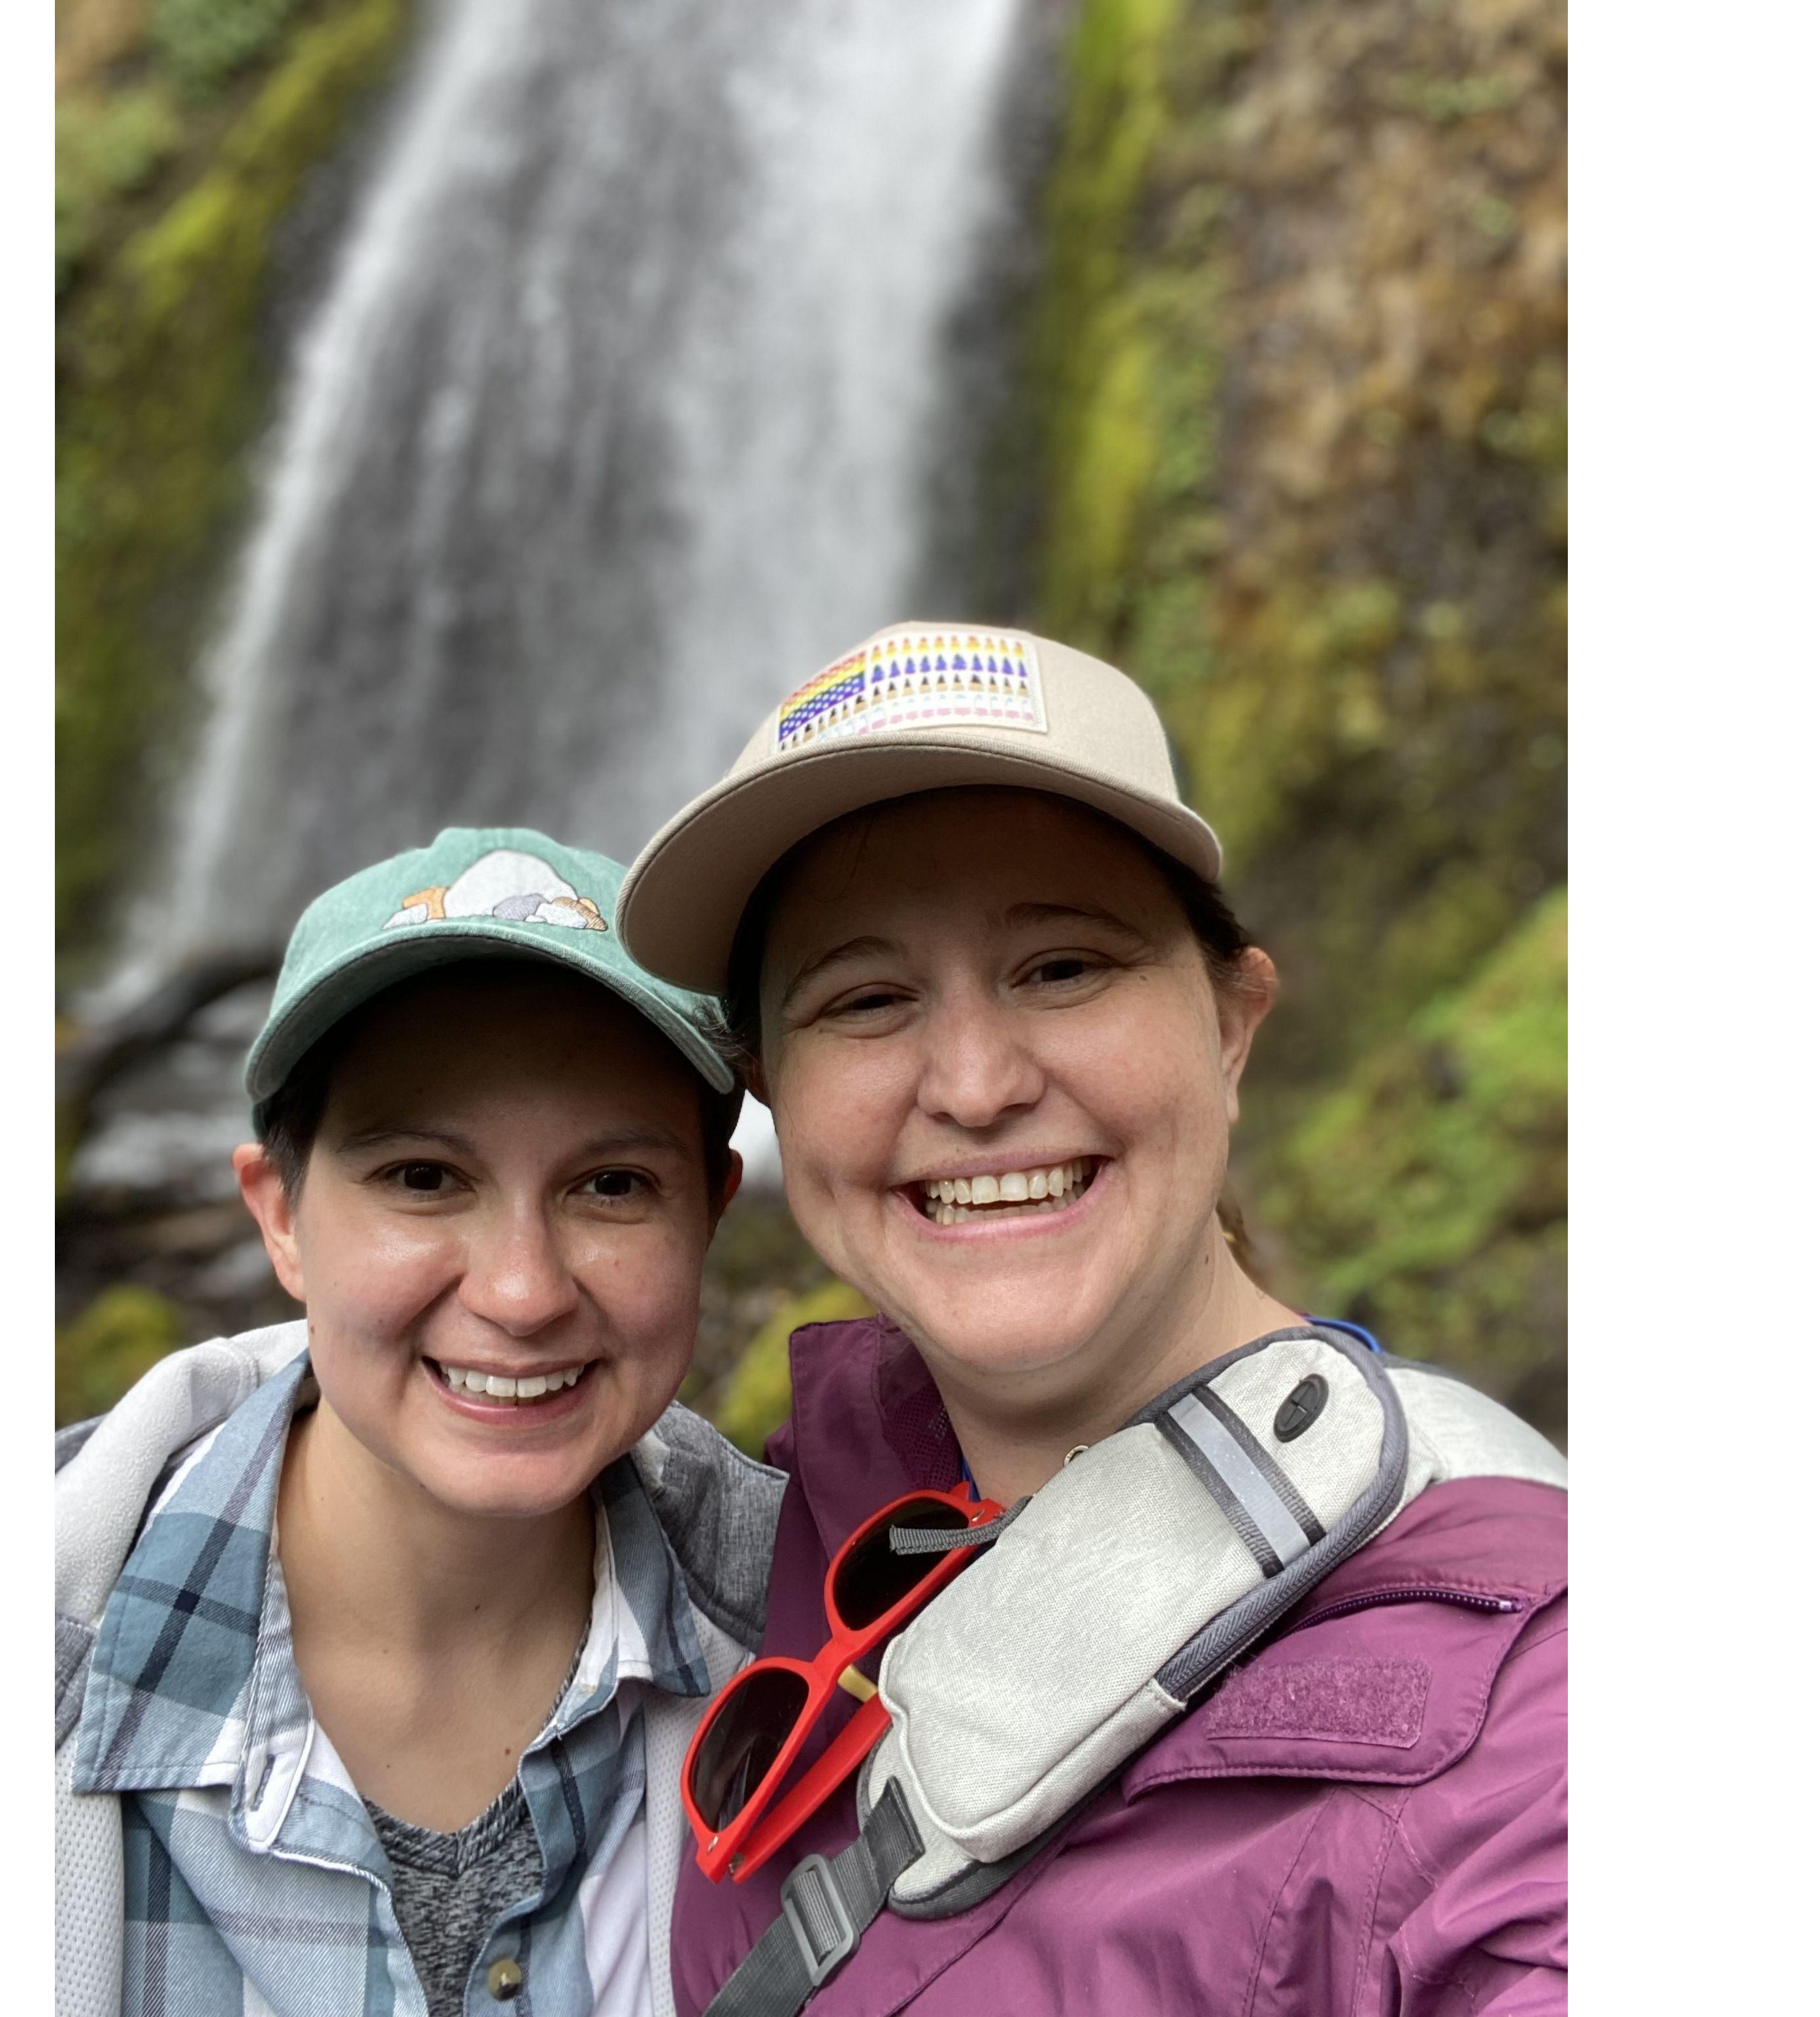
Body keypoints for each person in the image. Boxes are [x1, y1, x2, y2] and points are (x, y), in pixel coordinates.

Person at [617, 624, 1568, 2016]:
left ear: (1232, 1024)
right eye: (867, 998)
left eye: (1061, 966)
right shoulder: (799, 1518)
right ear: (772, 1093)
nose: (976, 1081)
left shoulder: (1525, 1676)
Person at [55, 828, 785, 2017]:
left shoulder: (835, 1647)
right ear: (280, 1216)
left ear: (709, 1215)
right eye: (423, 1178)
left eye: (611, 1186)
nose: (522, 1290)